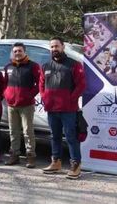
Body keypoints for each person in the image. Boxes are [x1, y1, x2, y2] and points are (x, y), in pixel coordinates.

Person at [40, 37, 86, 179]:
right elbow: (41, 84)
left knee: (71, 137)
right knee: (55, 137)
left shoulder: (74, 65)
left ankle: (75, 165)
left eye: (57, 46)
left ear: (63, 46)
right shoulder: (45, 66)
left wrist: (70, 99)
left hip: (68, 109)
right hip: (51, 109)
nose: (54, 49)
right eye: (52, 47)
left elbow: (81, 85)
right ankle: (56, 162)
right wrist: (44, 98)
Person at [3, 42, 42, 168]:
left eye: (20, 51)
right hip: (11, 105)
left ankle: (30, 156)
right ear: (12, 53)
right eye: (15, 51)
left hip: (26, 105)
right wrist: (6, 94)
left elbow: (40, 84)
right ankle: (14, 155)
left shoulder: (33, 66)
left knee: (27, 131)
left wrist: (29, 95)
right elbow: (5, 83)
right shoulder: (8, 66)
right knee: (13, 131)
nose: (17, 53)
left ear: (25, 52)